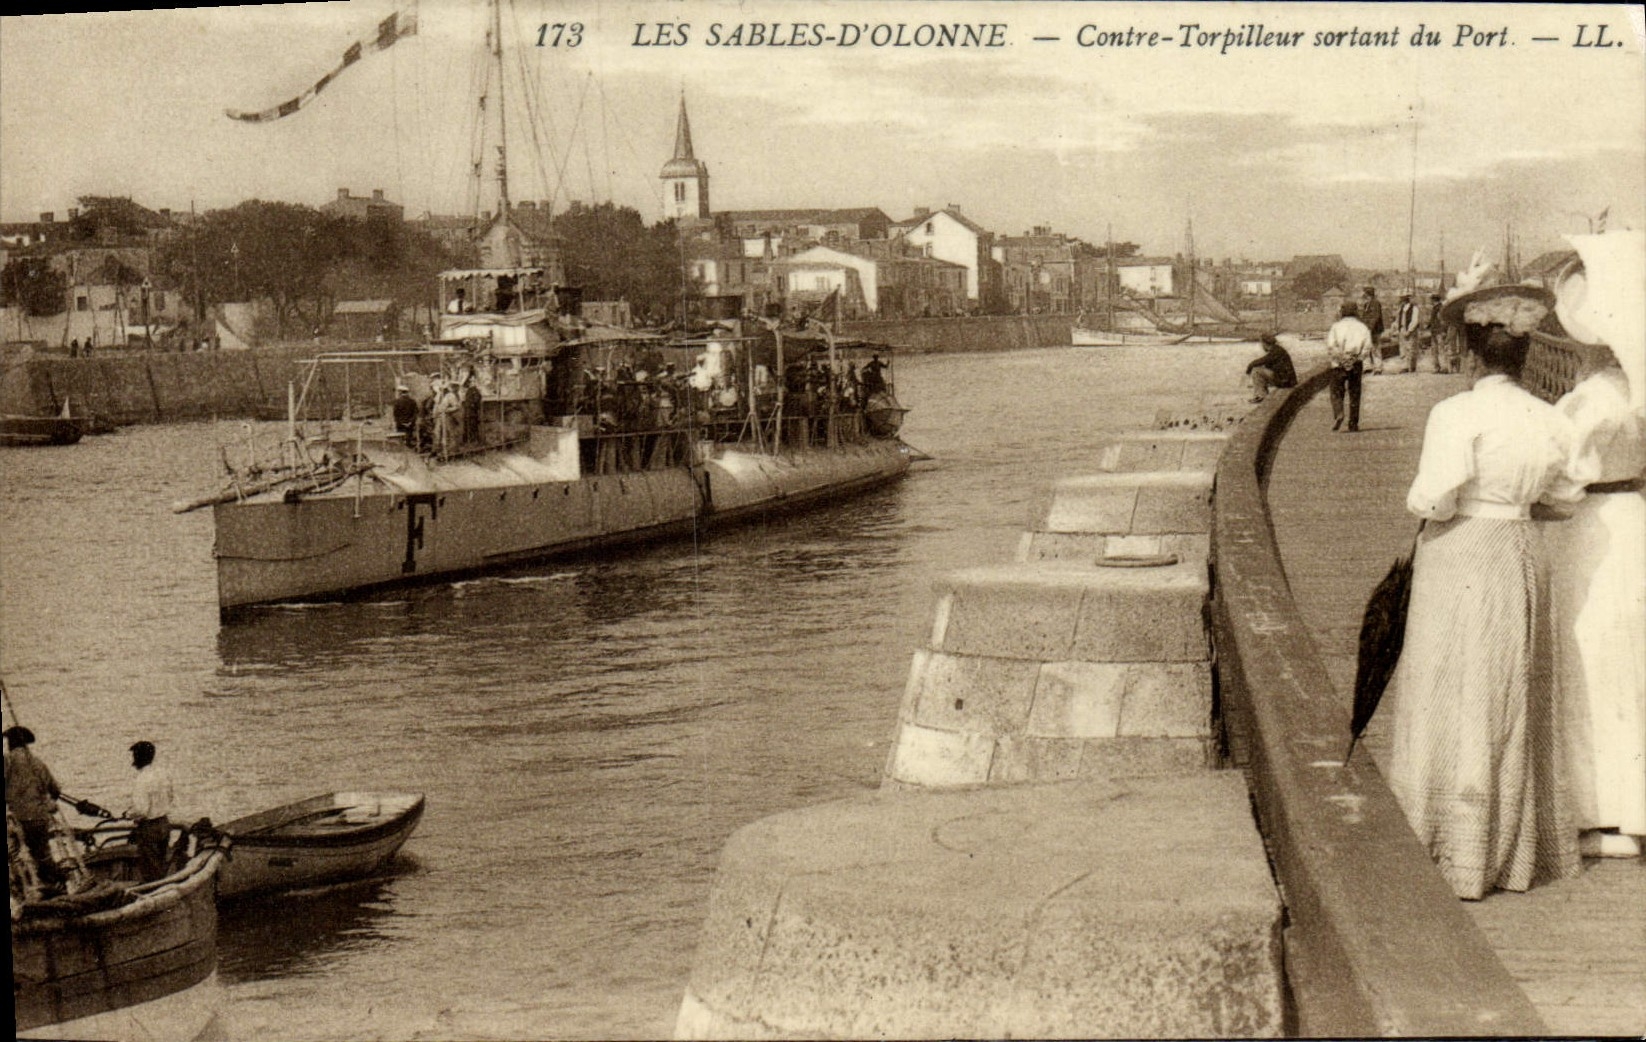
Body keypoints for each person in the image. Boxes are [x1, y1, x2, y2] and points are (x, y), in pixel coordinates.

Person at [1387, 288, 1586, 900]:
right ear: (1526, 357)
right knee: (1510, 688)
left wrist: (1435, 506)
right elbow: (1569, 496)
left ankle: (1447, 840)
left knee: (1452, 684)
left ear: (1471, 354)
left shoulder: (1455, 414)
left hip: (1463, 548)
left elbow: (1433, 497)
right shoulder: (1551, 417)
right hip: (1519, 549)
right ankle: (1513, 846)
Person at [1542, 232, 1646, 860]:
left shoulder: (1592, 399)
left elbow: (1565, 476)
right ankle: (1633, 804)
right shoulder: (1630, 390)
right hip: (1631, 513)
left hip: (1592, 525)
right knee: (1628, 656)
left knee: (1591, 659)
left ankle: (1605, 811)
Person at [5, 725, 63, 885]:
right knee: (43, 854)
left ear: (11, 743)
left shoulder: (7, 762)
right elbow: (55, 790)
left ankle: (26, 889)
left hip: (17, 820)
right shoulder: (37, 763)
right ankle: (54, 885)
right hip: (39, 817)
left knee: (15, 857)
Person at [123, 739, 174, 882]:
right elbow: (170, 797)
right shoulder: (162, 775)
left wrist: (128, 814)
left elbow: (141, 810)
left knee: (150, 869)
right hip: (164, 824)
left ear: (138, 758)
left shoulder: (142, 780)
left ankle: (155, 894)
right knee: (161, 863)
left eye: (134, 756)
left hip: (149, 829)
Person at [1324, 301, 1372, 431]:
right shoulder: (1362, 327)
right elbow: (1367, 347)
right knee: (1355, 393)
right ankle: (1353, 423)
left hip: (1338, 364)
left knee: (1336, 391)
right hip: (1356, 363)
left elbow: (1331, 346)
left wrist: (1341, 358)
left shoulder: (1336, 327)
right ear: (1356, 312)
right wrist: (1356, 359)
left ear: (1342, 312)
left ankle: (1339, 413)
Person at [1244, 333, 1297, 402]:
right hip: (1288, 380)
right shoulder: (1277, 349)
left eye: (1262, 344)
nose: (1262, 346)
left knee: (1256, 370)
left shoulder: (1275, 352)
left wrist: (1248, 369)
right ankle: (1261, 392)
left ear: (1265, 343)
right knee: (1260, 369)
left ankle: (1261, 395)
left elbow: (1258, 362)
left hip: (1286, 382)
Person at [1360, 286, 1386, 374]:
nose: (1363, 295)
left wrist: (1370, 328)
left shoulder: (1375, 303)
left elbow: (1375, 316)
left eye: (1365, 293)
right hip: (1368, 330)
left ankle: (1378, 368)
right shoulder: (1367, 304)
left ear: (1368, 294)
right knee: (1366, 347)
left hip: (1374, 330)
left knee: (1375, 348)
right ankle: (1367, 366)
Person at [1395, 291, 1421, 373]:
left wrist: (1409, 330)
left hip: (1410, 331)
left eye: (1402, 299)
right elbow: (1397, 320)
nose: (1401, 300)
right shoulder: (1400, 309)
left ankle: (1412, 366)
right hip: (1402, 329)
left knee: (1411, 348)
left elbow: (1415, 320)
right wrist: (1398, 329)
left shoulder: (1414, 308)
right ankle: (1404, 366)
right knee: (1402, 349)